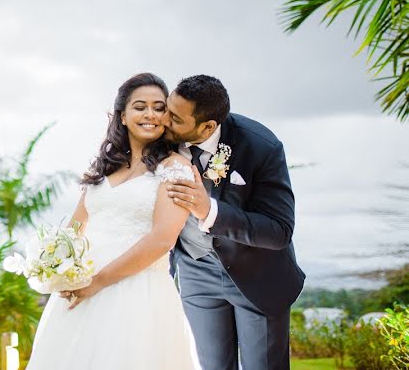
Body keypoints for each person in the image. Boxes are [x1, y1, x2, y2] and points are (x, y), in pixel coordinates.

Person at [26, 72, 200, 369]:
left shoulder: (176, 168)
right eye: (140, 106)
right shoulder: (104, 168)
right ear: (122, 116)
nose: (150, 114)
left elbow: (162, 239)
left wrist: (99, 281)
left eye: (159, 108)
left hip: (138, 293)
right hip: (83, 291)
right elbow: (74, 230)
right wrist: (57, 267)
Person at [162, 75, 304, 370]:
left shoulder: (261, 146)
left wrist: (209, 210)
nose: (164, 120)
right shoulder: (162, 142)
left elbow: (279, 230)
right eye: (167, 108)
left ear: (207, 127)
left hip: (257, 276)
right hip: (195, 272)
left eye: (175, 117)